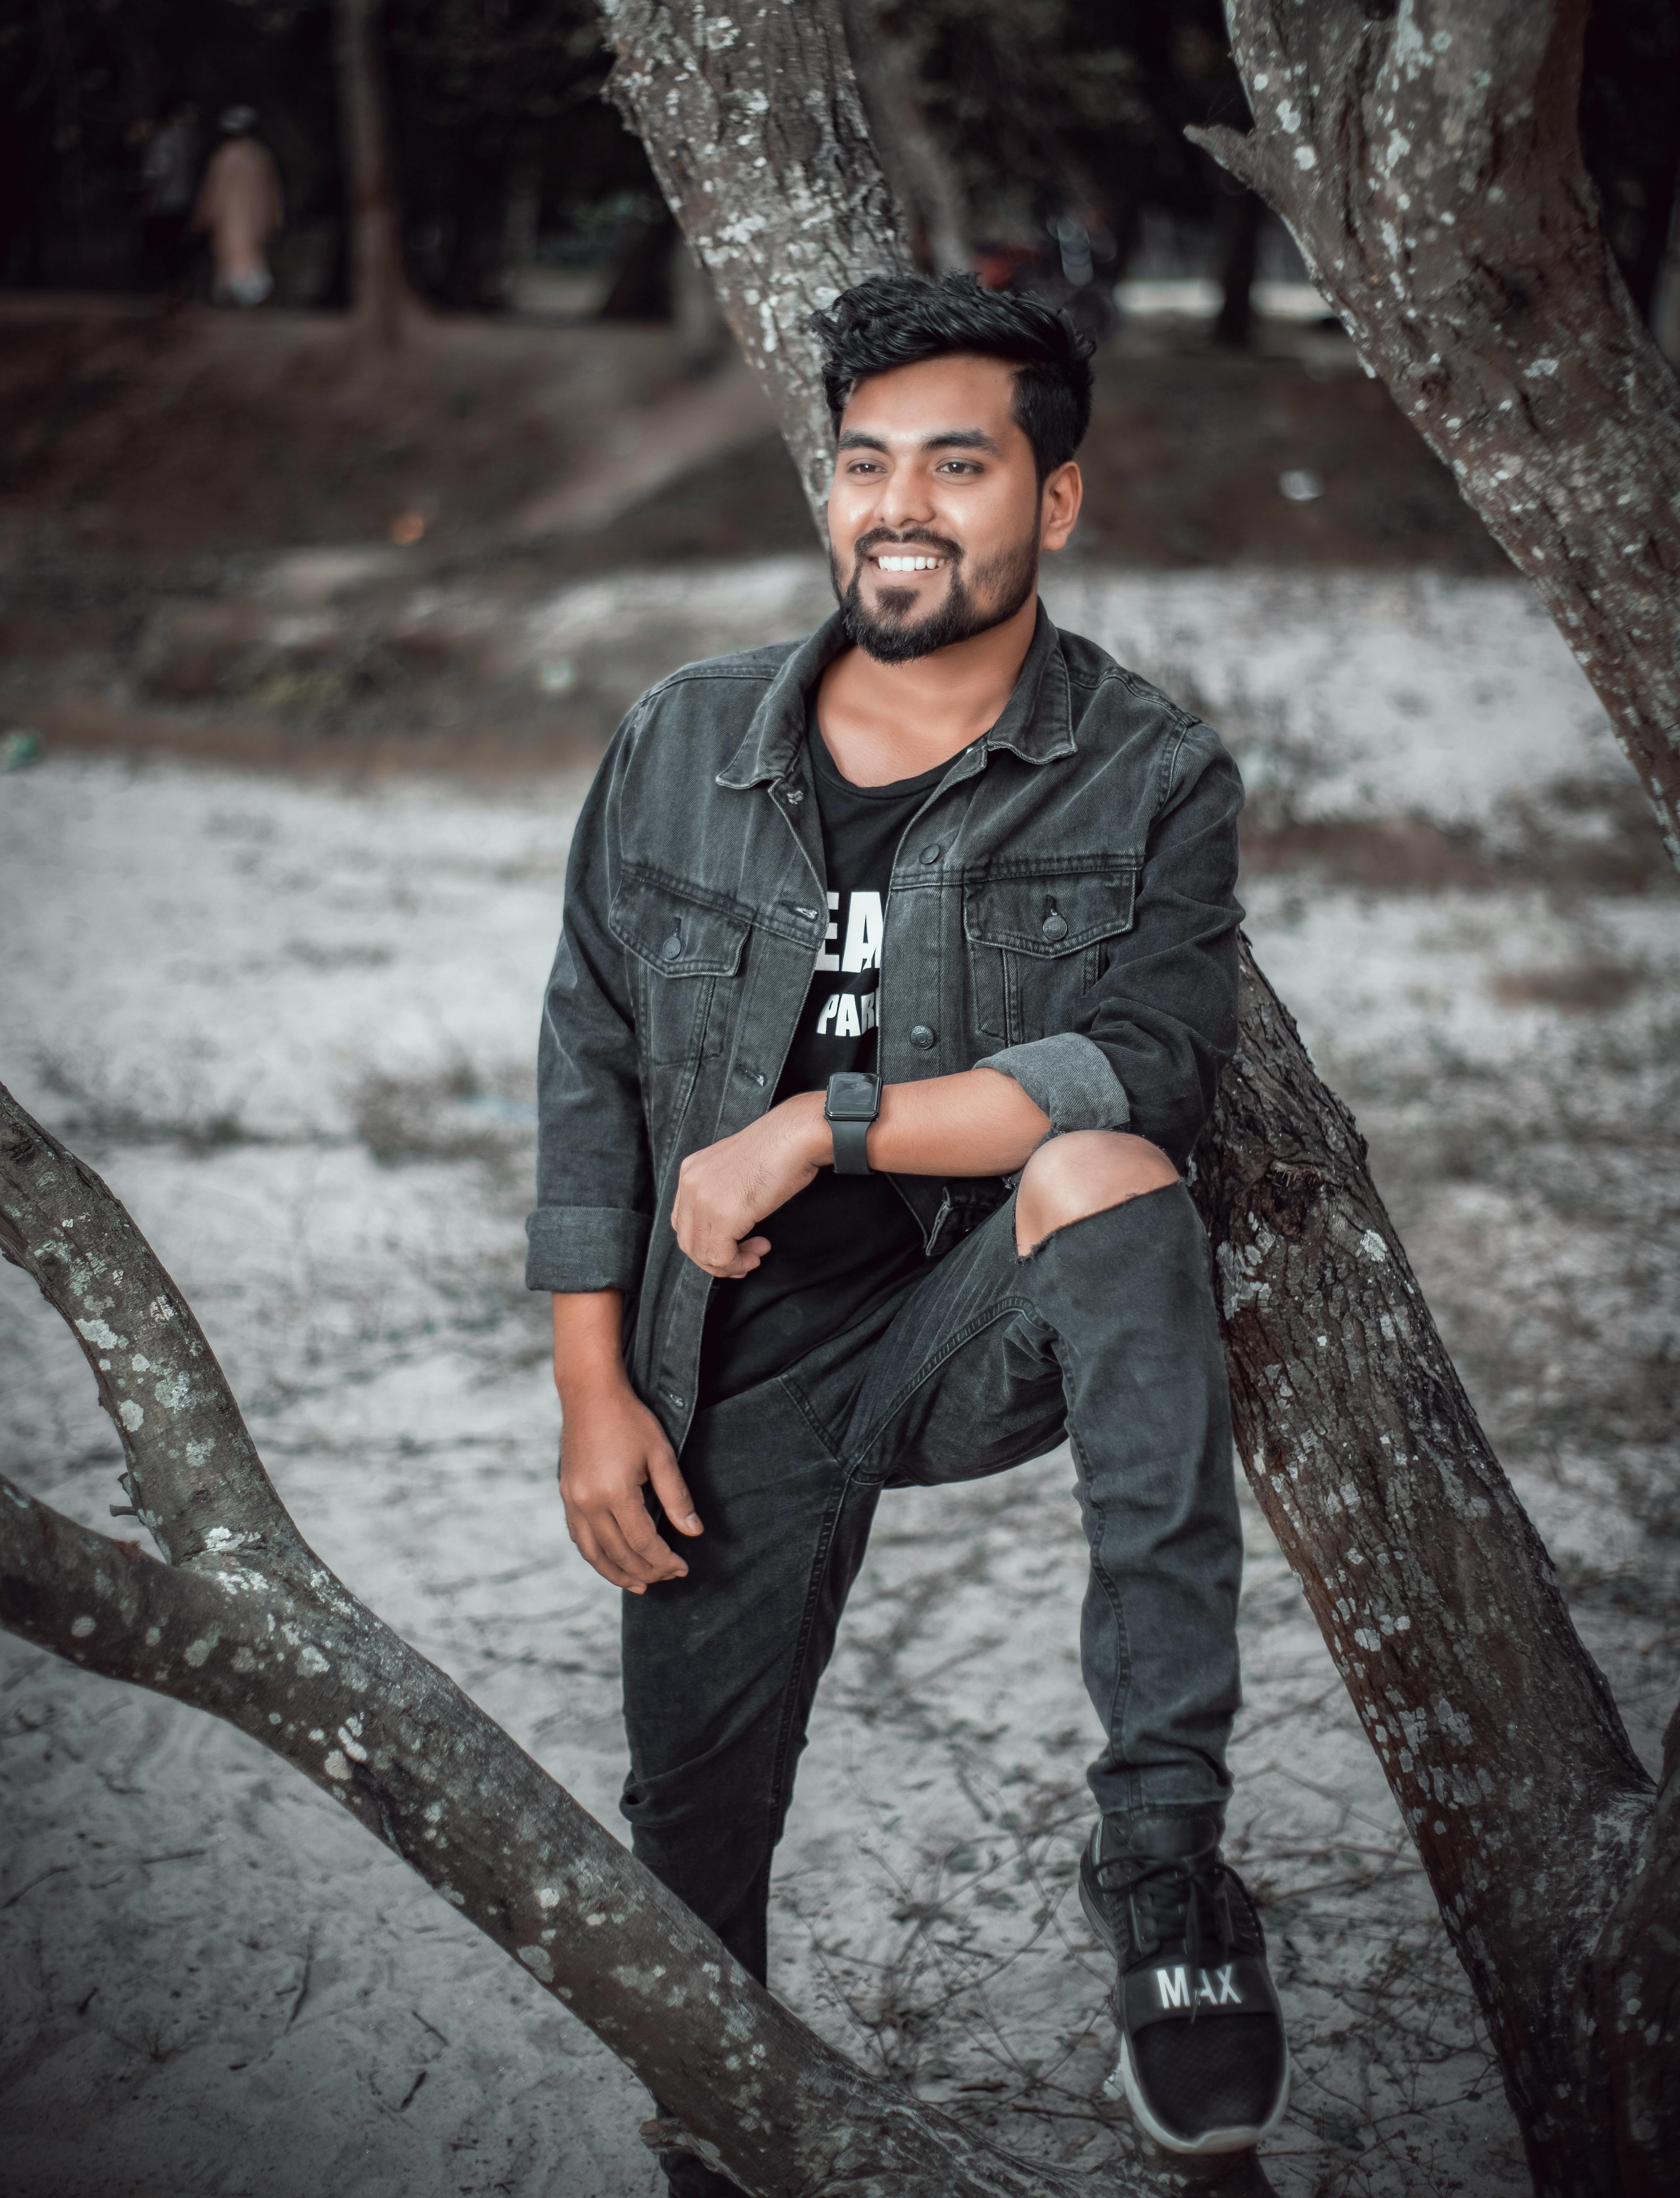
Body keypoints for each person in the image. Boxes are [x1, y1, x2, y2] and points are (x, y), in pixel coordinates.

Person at [527, 272, 1290, 2172]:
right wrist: (592, 1390)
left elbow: (1147, 1064)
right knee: (690, 1838)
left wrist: (826, 1123)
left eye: (960, 463)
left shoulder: (1149, 771)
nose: (901, 503)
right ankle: (722, 2143)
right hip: (730, 1378)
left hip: (974, 1313)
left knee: (1107, 1172)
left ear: (1055, 499)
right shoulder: (679, 744)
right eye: (867, 459)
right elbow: (587, 1069)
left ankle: (1167, 1862)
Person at [193, 105, 284, 306]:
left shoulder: (226, 157)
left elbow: (214, 190)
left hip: (233, 217)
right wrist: (275, 216)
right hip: (250, 218)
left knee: (237, 255)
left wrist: (205, 215)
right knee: (245, 255)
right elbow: (274, 191)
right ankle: (242, 294)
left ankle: (242, 294)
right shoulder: (261, 155)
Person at [138, 97, 199, 290]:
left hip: (171, 203)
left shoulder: (174, 138)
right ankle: (166, 284)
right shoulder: (176, 138)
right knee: (169, 246)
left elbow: (157, 172)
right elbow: (158, 172)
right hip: (171, 202)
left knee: (166, 247)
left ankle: (166, 284)